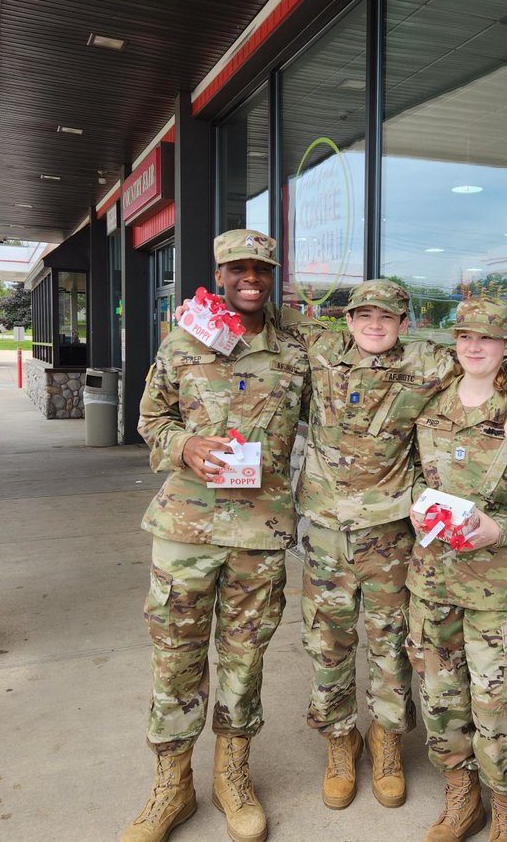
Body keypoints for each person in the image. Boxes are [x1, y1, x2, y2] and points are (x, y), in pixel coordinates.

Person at [289, 280, 507, 813]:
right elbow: (257, 330)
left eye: (387, 316)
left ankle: (385, 740)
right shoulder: (317, 352)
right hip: (325, 530)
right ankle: (340, 739)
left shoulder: (431, 365)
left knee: (389, 643)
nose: (375, 324)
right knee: (326, 641)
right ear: (349, 318)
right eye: (364, 314)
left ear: (404, 322)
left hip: (389, 530)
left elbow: (503, 365)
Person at [123, 229, 310, 842]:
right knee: (176, 656)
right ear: (220, 271)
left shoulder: (299, 346)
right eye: (237, 268)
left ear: (273, 273)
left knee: (243, 657)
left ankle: (233, 775)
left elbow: (390, 365)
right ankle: (171, 786)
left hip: (260, 531)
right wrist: (185, 444)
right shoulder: (184, 340)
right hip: (187, 526)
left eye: (260, 267)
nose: (249, 277)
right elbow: (151, 418)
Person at [405, 295, 507, 842]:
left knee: (500, 705)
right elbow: (408, 471)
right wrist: (414, 502)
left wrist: (504, 529)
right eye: (465, 337)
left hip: (498, 588)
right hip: (432, 581)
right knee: (440, 700)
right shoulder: (431, 403)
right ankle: (461, 794)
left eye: (487, 338)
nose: (474, 347)